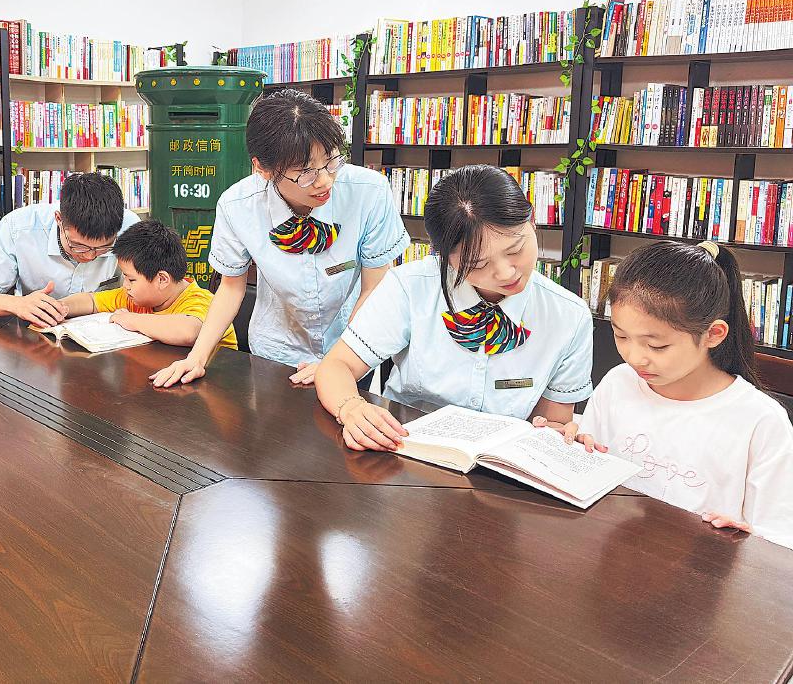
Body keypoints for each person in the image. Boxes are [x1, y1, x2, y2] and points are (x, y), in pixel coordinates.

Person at [314, 164, 593, 452]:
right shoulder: (410, 287)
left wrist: (560, 435)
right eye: (478, 264)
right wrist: (351, 407)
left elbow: (551, 422)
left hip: (498, 463)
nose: (506, 273)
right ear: (444, 257)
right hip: (403, 448)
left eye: (515, 250)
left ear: (531, 221)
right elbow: (336, 366)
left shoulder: (569, 316)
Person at [151, 88, 407, 389]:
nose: (324, 181)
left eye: (331, 161)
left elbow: (374, 288)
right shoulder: (238, 205)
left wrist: (337, 362)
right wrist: (197, 357)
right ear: (263, 168)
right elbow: (230, 288)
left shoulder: (369, 192)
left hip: (351, 348)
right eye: (305, 172)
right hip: (275, 354)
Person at [577, 240, 793, 548]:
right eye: (621, 336)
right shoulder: (618, 383)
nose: (635, 358)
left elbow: (779, 536)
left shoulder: (760, 421)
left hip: (706, 570)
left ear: (713, 334)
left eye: (657, 346)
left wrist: (750, 537)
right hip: (617, 557)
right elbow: (588, 474)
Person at [0, 173, 140, 329]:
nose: (90, 255)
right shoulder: (19, 227)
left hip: (106, 336)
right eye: (78, 246)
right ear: (59, 219)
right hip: (36, 339)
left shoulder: (130, 227)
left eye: (103, 248)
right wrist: (18, 304)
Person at [60, 220, 237, 350]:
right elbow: (91, 301)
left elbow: (188, 332)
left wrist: (131, 319)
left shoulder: (202, 300)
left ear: (162, 279)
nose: (125, 286)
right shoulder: (134, 296)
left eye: (131, 279)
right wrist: (58, 307)